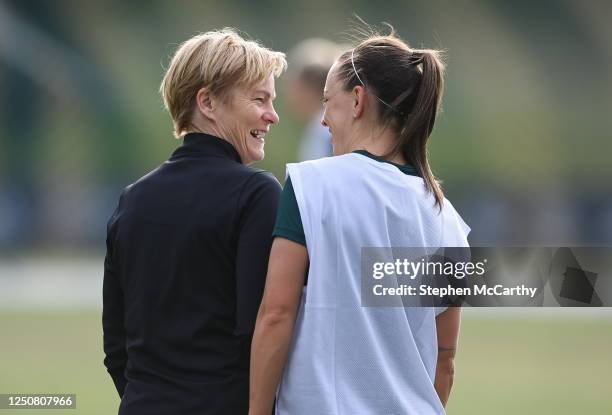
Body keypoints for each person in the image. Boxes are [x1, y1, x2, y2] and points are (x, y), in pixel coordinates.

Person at [249, 28, 470, 415]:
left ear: (357, 100)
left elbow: (276, 314)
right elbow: (445, 361)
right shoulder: (447, 218)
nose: (322, 121)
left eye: (327, 103)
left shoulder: (311, 185)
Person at [103, 29, 286, 414]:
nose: (273, 115)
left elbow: (116, 347)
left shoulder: (132, 199)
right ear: (207, 102)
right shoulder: (256, 193)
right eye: (260, 99)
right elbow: (261, 326)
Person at [285, 38, 344, 160]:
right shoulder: (326, 127)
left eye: (293, 84)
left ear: (308, 88)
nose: (290, 94)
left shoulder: (325, 131)